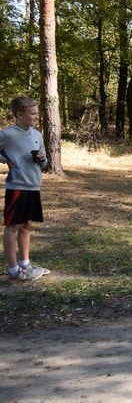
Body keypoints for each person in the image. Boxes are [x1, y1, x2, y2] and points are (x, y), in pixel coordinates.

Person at [0, 96, 50, 281]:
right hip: (17, 187)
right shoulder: (8, 134)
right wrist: (6, 160)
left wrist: (43, 159)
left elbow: (44, 163)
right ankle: (13, 270)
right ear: (19, 114)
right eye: (33, 113)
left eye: (38, 113)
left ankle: (25, 264)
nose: (37, 117)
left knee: (27, 225)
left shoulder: (37, 135)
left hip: (33, 186)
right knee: (12, 226)